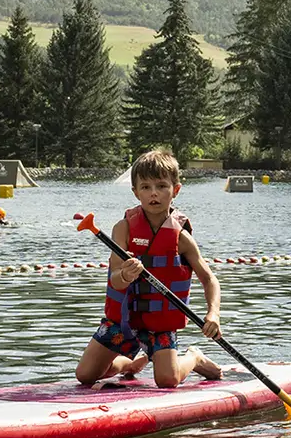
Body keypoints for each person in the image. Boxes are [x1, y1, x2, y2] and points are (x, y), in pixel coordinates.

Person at [75, 148, 223, 390]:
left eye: (161, 186)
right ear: (135, 192)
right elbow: (116, 280)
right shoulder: (123, 229)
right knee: (86, 375)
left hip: (160, 323)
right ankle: (130, 364)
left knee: (167, 380)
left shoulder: (181, 238)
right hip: (123, 321)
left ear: (175, 190)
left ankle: (193, 357)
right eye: (145, 187)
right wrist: (125, 274)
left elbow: (209, 279)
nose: (153, 193)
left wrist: (213, 314)